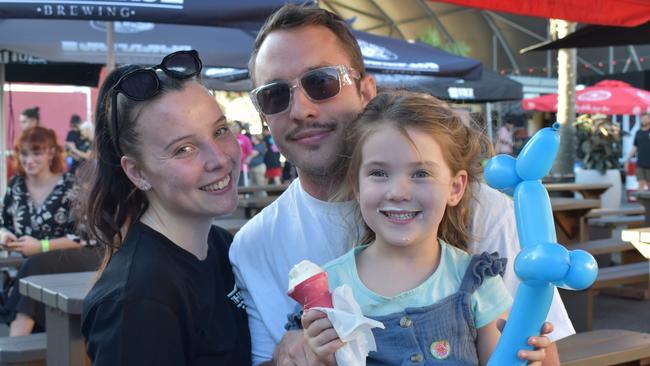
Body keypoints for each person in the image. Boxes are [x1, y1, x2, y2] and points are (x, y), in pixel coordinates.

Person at [230, 4, 572, 366]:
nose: (301, 109)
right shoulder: (253, 246)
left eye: (321, 82)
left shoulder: (487, 212)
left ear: (366, 91)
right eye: (274, 95)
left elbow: (525, 349)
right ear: (263, 116)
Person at [303, 90, 526, 365]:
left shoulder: (476, 281)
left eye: (421, 174)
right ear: (356, 185)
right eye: (379, 173)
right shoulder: (330, 288)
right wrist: (319, 357)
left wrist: (526, 359)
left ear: (455, 188)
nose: (398, 192)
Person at [79, 50, 251, 365]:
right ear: (138, 173)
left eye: (220, 130)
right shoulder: (137, 302)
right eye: (183, 149)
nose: (219, 159)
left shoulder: (223, 247)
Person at [0, 126, 101, 336]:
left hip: (71, 263)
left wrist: (41, 246)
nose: (29, 160)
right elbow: (4, 222)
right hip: (25, 268)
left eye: (36, 153)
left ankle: (16, 347)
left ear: (51, 153)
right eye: (24, 153)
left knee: (34, 264)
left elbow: (87, 237)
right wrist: (4, 236)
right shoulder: (16, 186)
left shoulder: (70, 186)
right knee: (31, 267)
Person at [624, 113, 650, 192]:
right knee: (640, 183)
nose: (644, 120)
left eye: (646, 118)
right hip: (640, 163)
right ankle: (642, 204)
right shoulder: (638, 132)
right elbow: (635, 147)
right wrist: (627, 159)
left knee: (649, 183)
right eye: (642, 119)